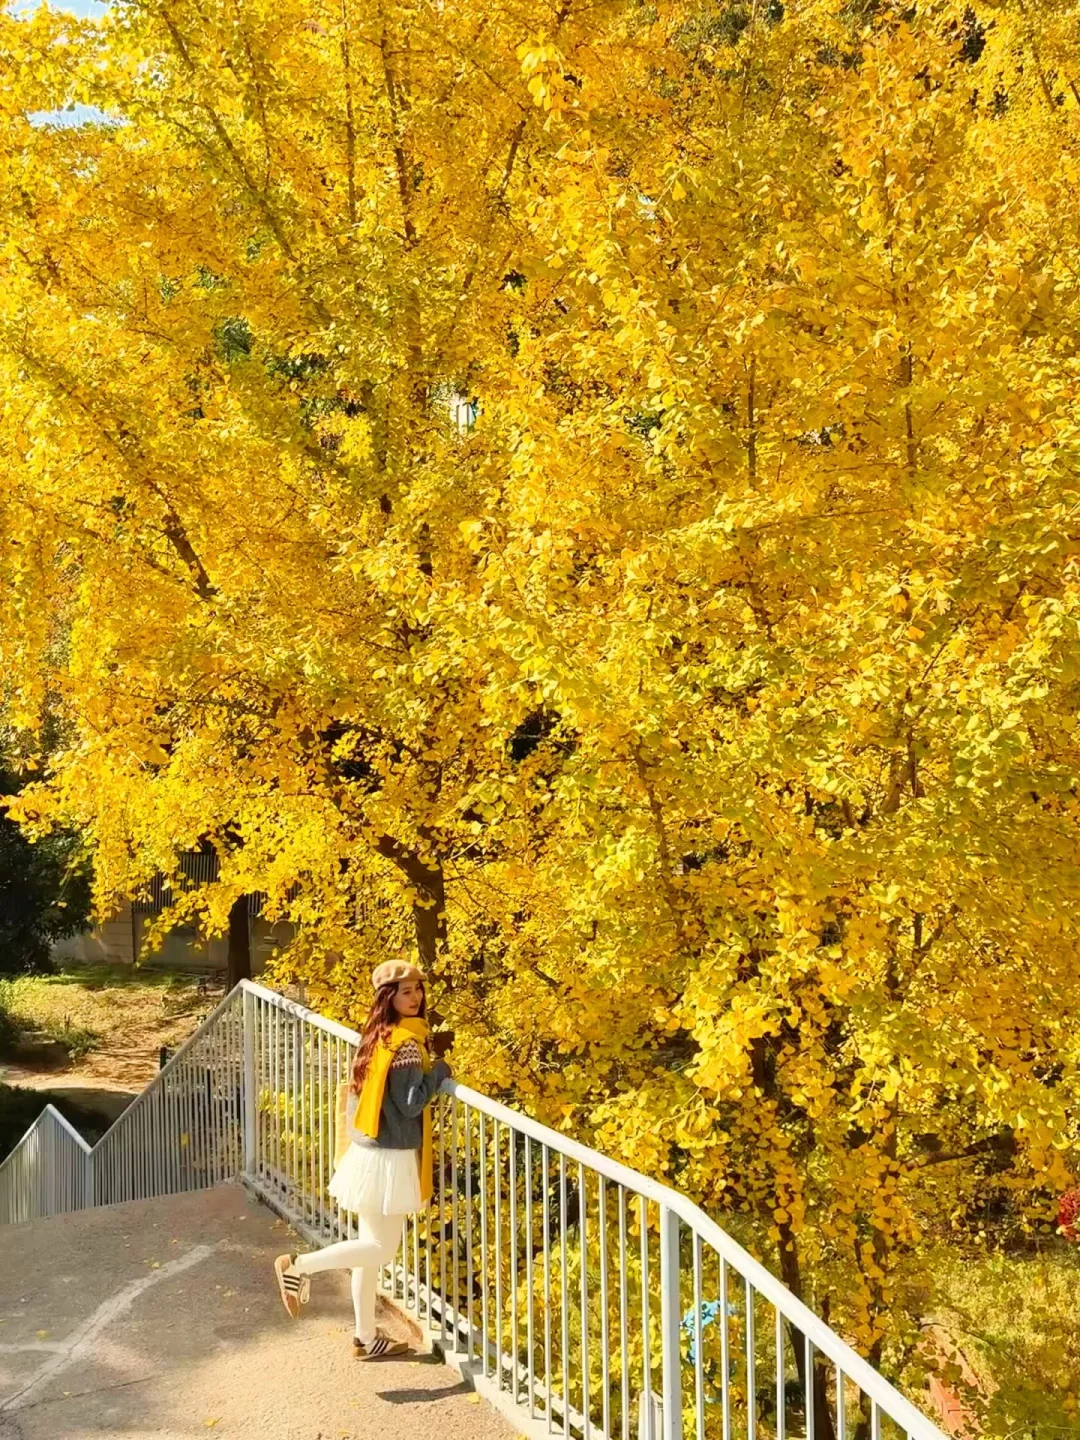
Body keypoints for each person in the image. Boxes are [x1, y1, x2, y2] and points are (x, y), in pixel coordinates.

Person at [273, 958, 451, 1358]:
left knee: (367, 1252)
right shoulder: (407, 1045)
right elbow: (411, 1104)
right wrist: (439, 1072)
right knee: (382, 1251)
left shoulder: (377, 1035)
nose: (416, 997)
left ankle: (366, 1338)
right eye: (406, 992)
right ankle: (298, 1266)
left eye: (418, 990)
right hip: (390, 1158)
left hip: (369, 1152)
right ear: (389, 997)